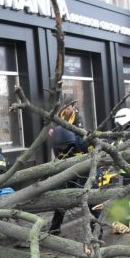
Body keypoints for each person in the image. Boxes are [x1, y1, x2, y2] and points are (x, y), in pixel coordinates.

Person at [47, 95, 97, 235]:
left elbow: (91, 154)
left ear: (73, 107)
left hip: (84, 166)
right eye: (65, 107)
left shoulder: (80, 135)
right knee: (63, 196)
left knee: (89, 197)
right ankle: (54, 228)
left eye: (69, 107)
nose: (67, 110)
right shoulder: (58, 124)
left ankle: (95, 231)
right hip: (67, 166)